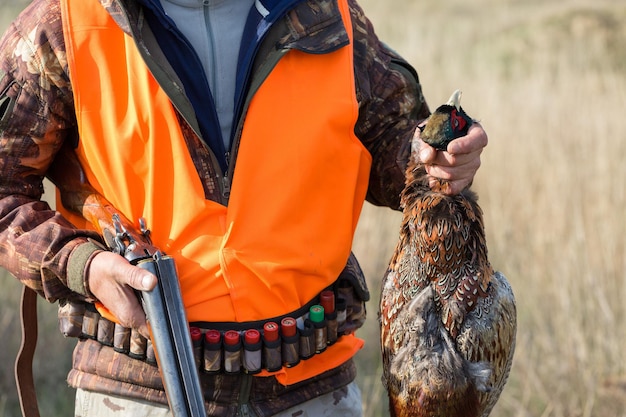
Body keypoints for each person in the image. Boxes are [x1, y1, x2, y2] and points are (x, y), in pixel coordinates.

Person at [0, 0, 487, 415]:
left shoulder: (326, 13)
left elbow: (395, 141)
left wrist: (437, 160)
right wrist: (84, 265)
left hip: (313, 384)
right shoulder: (64, 24)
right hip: (139, 386)